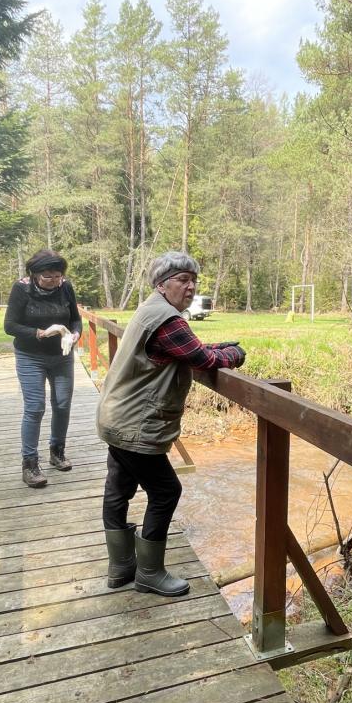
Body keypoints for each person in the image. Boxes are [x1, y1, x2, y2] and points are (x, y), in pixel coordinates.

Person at [95, 251, 246, 596]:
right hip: (136, 423)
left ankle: (120, 568)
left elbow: (185, 349)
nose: (190, 287)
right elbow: (203, 359)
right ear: (162, 285)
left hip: (115, 415)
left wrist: (219, 346)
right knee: (166, 491)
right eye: (182, 279)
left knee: (118, 489)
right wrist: (233, 354)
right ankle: (149, 573)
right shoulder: (168, 320)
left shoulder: (151, 309)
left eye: (194, 281)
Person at [4, 250, 82, 488]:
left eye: (58, 276)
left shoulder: (65, 287)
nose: (54, 281)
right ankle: (29, 464)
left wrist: (75, 334)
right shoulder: (21, 289)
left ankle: (57, 452)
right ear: (34, 274)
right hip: (30, 356)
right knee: (35, 407)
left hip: (62, 356)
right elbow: (9, 325)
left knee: (62, 404)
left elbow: (75, 319)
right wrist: (40, 333)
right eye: (48, 277)